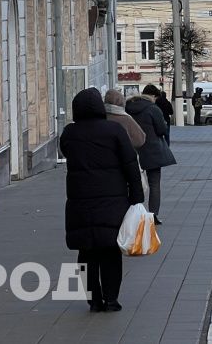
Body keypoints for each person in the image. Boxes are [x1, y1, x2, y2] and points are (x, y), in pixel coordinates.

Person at [60, 88, 144, 312]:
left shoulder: (70, 133)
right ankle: (111, 298)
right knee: (110, 252)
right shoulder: (114, 130)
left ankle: (93, 299)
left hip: (80, 203)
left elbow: (66, 151)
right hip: (113, 203)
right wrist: (137, 197)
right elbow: (130, 165)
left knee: (87, 253)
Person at [126, 85, 176, 225]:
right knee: (154, 184)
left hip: (132, 151)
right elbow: (161, 130)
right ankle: (153, 215)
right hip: (152, 151)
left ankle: (133, 214)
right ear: (153, 96)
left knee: (132, 183)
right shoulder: (153, 109)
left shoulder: (128, 107)